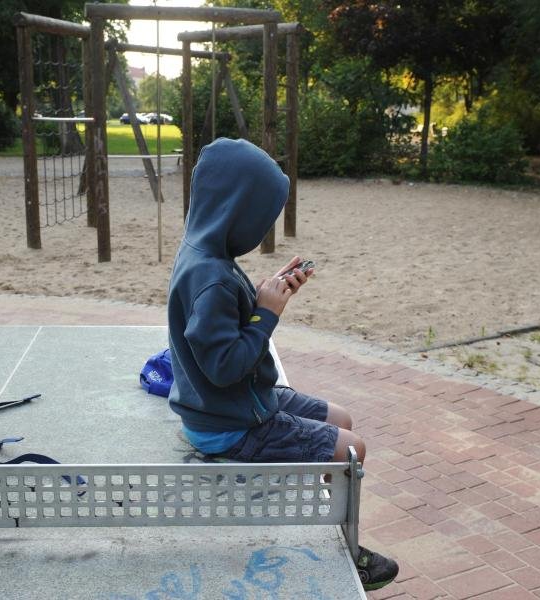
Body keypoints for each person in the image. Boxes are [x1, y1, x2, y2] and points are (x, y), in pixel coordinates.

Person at [167, 137, 398, 591]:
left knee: (341, 420)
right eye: (262, 218)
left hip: (240, 400)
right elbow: (224, 367)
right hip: (227, 424)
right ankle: (345, 552)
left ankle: (332, 522)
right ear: (237, 211)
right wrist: (267, 315)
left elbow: (223, 328)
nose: (263, 228)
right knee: (353, 450)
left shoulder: (207, 254)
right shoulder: (211, 279)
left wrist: (262, 294)